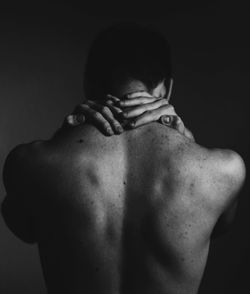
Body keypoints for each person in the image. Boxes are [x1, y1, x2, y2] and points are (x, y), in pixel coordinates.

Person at [1, 23, 245, 294]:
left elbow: (23, 227)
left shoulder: (31, 163)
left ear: (88, 83)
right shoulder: (224, 171)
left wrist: (62, 138)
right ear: (166, 89)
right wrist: (188, 141)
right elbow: (222, 224)